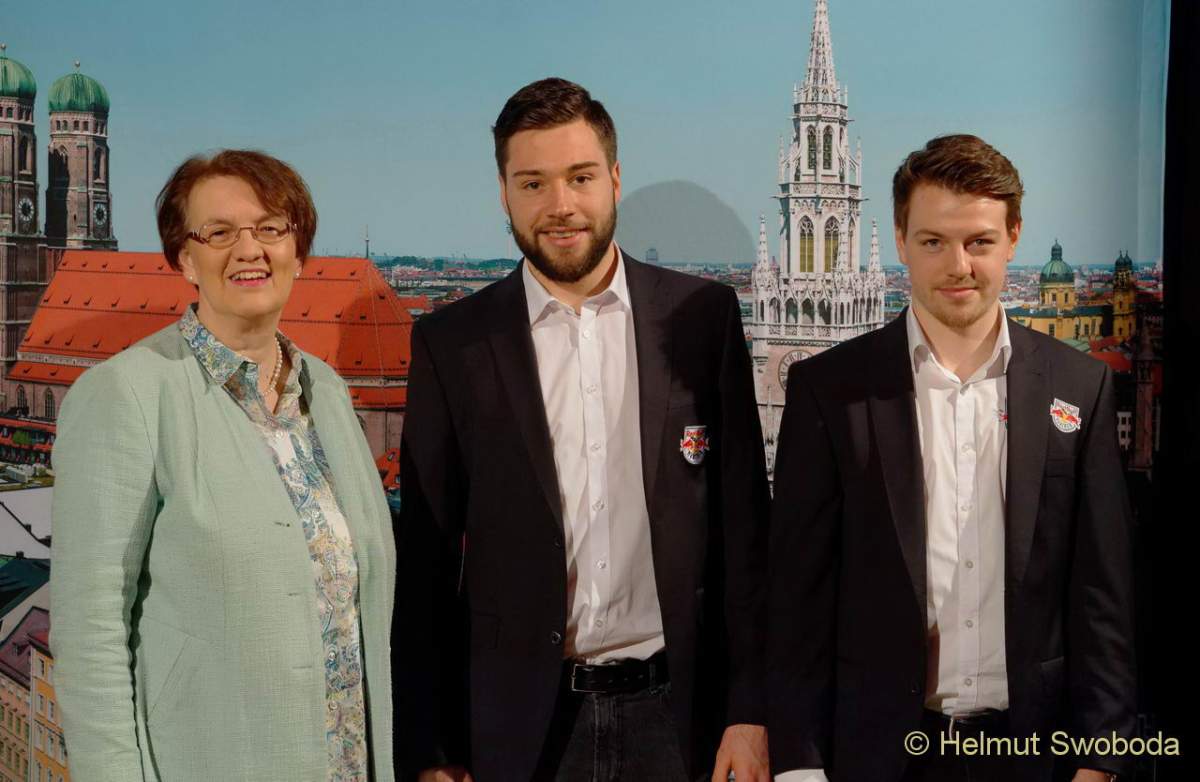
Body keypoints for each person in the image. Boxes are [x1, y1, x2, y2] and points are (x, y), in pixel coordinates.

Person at [394, 77, 771, 782]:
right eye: (533, 183)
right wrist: (432, 753)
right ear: (503, 194)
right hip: (518, 734)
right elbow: (425, 565)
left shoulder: (703, 318)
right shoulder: (453, 344)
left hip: (681, 721)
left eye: (580, 177)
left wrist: (750, 713)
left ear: (615, 180)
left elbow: (745, 537)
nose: (560, 204)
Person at [766, 135, 1135, 782]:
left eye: (979, 242)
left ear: (1013, 238)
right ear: (901, 241)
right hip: (877, 755)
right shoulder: (829, 388)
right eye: (934, 241)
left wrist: (1100, 760)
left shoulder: (1081, 386)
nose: (958, 265)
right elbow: (799, 592)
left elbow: (1102, 592)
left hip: (1032, 754)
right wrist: (800, 765)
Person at [49, 150, 396, 781]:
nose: (250, 249)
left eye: (270, 228)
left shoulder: (326, 390)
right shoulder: (127, 394)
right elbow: (89, 632)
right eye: (219, 233)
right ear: (185, 258)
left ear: (297, 250)